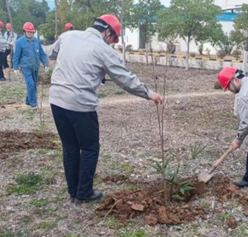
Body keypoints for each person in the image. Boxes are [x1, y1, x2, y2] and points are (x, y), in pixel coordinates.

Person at [49, 14, 163, 203]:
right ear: (107, 32)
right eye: (113, 39)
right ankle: (84, 193)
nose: (111, 43)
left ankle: (73, 191)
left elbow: (52, 53)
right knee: (90, 148)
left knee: (70, 147)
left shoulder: (67, 36)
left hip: (56, 100)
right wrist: (149, 93)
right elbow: (124, 78)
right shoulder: (103, 50)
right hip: (80, 104)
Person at [13, 22, 49, 110]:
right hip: (25, 67)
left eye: (31, 32)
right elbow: (16, 55)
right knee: (30, 83)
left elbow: (42, 54)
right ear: (24, 31)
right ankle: (33, 104)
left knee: (34, 85)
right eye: (28, 32)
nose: (30, 33)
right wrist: (15, 67)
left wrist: (46, 64)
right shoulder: (19, 42)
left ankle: (28, 100)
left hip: (35, 67)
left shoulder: (36, 41)